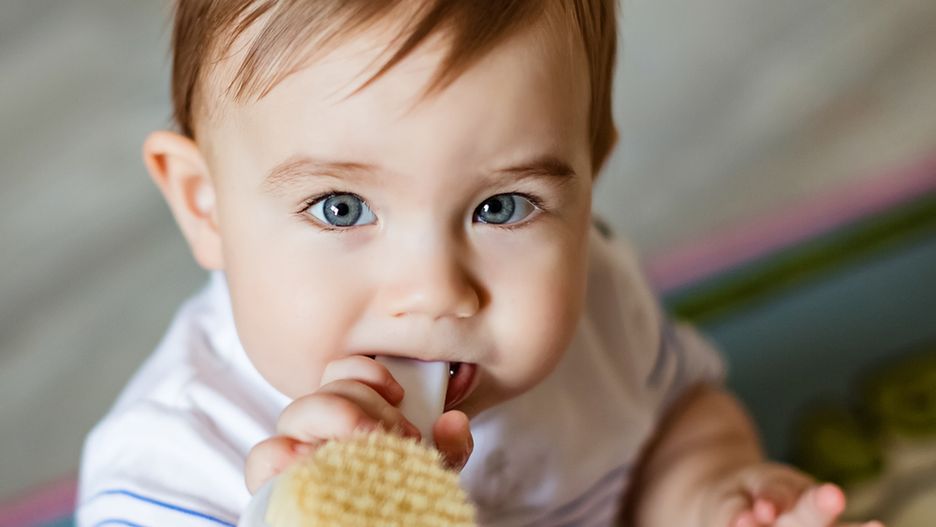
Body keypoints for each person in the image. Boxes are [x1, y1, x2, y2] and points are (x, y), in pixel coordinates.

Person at [78, 1, 884, 526]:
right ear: (204, 203)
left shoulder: (597, 298)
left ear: (589, 175)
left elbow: (680, 419)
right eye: (341, 208)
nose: (435, 293)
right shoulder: (168, 465)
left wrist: (710, 495)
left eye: (501, 207)